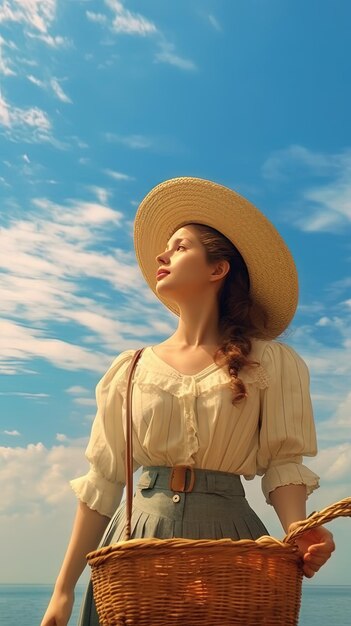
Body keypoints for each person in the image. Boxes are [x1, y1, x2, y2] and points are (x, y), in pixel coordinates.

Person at [41, 177, 335, 626]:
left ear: (218, 270)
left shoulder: (273, 362)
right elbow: (102, 484)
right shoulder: (131, 368)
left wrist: (300, 531)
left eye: (179, 247)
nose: (163, 256)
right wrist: (62, 592)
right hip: (134, 550)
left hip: (231, 549)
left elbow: (283, 462)